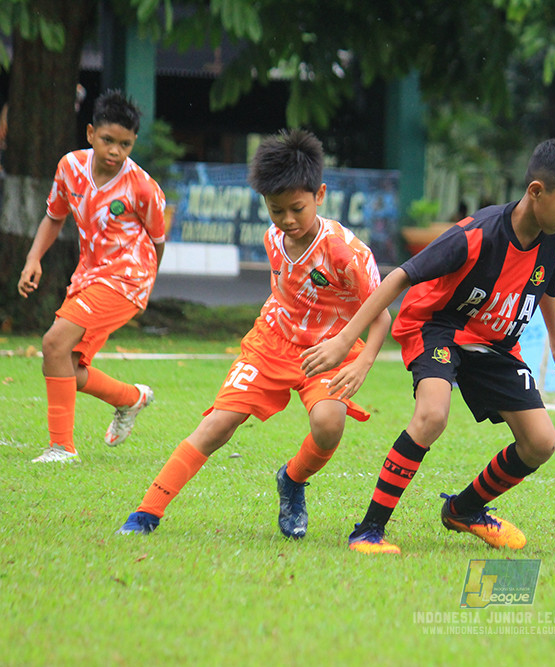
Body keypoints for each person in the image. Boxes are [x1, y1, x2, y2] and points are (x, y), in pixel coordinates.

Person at [300, 137, 555, 554]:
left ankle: (464, 509)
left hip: (495, 343)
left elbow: (546, 287)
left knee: (541, 443)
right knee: (433, 414)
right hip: (439, 326)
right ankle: (368, 530)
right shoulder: (475, 235)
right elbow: (400, 276)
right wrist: (346, 339)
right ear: (536, 192)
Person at [117, 129, 391, 537]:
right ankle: (146, 514)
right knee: (217, 426)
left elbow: (381, 314)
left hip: (330, 350)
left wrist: (361, 358)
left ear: (320, 194)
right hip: (271, 343)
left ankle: (293, 481)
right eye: (276, 210)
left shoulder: (347, 253)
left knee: (329, 425)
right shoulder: (272, 238)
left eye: (297, 208)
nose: (287, 220)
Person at [17, 90, 166, 463]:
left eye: (125, 144)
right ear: (90, 133)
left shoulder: (142, 187)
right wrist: (33, 258)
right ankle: (130, 399)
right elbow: (54, 216)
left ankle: (62, 448)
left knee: (53, 344)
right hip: (90, 275)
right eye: (108, 140)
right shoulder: (69, 167)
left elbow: (158, 241)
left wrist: (145, 285)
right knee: (67, 364)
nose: (115, 151)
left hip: (126, 280)